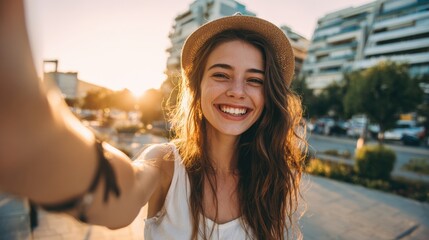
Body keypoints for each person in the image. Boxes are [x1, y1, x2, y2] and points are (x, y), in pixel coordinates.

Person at [0, 1, 306, 239]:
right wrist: (39, 136)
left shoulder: (270, 178)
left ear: (269, 95)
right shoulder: (166, 165)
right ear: (196, 87)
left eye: (255, 80)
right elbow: (122, 198)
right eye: (221, 74)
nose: (237, 91)